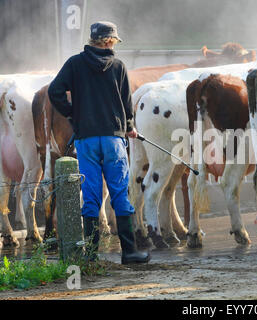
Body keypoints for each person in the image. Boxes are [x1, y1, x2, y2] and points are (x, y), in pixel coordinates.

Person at [48, 21, 150, 264]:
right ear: (108, 41)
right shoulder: (118, 66)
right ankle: (129, 253)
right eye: (113, 40)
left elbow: (55, 92)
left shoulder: (74, 64)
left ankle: (91, 255)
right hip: (114, 139)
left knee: (91, 194)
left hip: (86, 140)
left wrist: (72, 113)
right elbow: (127, 104)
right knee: (119, 193)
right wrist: (129, 127)